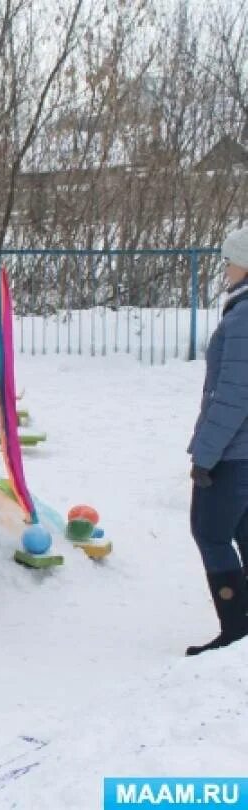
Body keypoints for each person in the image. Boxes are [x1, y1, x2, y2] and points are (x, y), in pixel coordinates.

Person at [185, 225, 248, 656]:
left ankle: (234, 630)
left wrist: (205, 455)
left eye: (230, 260)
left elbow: (233, 395)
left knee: (209, 531)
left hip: (235, 452)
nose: (225, 268)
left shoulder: (244, 316)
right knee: (242, 530)